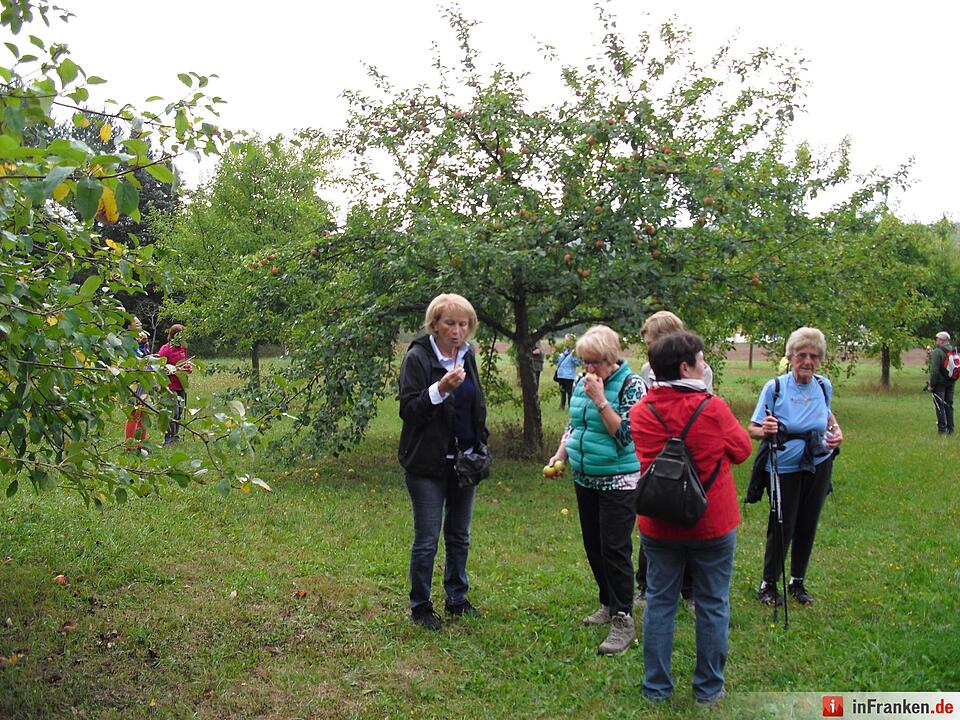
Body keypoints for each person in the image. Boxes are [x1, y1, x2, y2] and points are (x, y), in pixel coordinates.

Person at [629, 331, 752, 704]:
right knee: (713, 602)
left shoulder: (641, 410)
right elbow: (743, 450)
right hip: (711, 522)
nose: (705, 366)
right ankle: (708, 690)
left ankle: (656, 689)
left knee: (660, 604)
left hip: (658, 523)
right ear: (686, 367)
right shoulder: (712, 408)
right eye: (701, 360)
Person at [546, 325, 645, 655]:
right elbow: (574, 424)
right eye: (584, 362)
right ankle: (607, 601)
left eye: (595, 362)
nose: (589, 369)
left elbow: (626, 435)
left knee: (615, 548)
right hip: (585, 475)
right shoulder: (580, 381)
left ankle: (623, 619)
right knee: (593, 545)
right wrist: (560, 456)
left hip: (618, 479)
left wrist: (601, 400)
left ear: (612, 358)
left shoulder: (633, 386)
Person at [398, 293, 489, 630]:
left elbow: (475, 405)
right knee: (427, 538)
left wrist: (481, 441)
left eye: (463, 324)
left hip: (464, 462)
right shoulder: (419, 358)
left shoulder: (468, 355)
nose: (457, 331)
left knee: (459, 535)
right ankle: (421, 606)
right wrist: (439, 389)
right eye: (450, 323)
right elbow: (408, 410)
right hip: (426, 464)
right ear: (434, 324)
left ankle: (457, 597)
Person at [749, 326, 843, 607]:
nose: (808, 361)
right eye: (802, 354)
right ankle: (768, 583)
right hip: (783, 467)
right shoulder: (775, 387)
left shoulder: (824, 386)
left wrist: (837, 431)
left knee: (807, 523)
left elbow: (827, 416)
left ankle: (797, 582)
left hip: (818, 463)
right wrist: (765, 429)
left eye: (814, 356)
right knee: (782, 525)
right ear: (790, 356)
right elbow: (752, 429)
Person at [635, 311, 711, 606]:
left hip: (687, 453)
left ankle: (689, 588)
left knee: (688, 514)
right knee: (652, 513)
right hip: (658, 452)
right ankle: (645, 584)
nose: (649, 350)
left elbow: (704, 408)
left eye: (652, 342)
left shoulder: (701, 369)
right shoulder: (646, 369)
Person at [157, 324, 192, 446]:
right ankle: (168, 438)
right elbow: (159, 368)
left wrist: (188, 368)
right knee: (173, 411)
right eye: (183, 335)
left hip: (181, 385)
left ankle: (175, 437)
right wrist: (171, 370)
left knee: (180, 411)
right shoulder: (165, 349)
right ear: (175, 336)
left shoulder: (183, 349)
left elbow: (185, 362)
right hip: (169, 386)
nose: (185, 337)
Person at [123, 317, 151, 449]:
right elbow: (133, 359)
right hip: (133, 379)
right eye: (136, 322)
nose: (140, 323)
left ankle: (141, 444)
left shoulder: (137, 340)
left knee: (143, 411)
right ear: (128, 326)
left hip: (143, 379)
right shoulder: (126, 341)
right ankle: (129, 444)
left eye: (140, 321)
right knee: (133, 413)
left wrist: (144, 344)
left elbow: (144, 355)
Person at [927, 331, 956, 435]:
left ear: (942, 340)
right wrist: (932, 355)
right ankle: (951, 429)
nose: (936, 341)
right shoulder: (953, 349)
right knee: (949, 405)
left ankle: (942, 430)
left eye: (937, 339)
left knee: (940, 406)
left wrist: (931, 385)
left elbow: (934, 371)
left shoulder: (937, 352)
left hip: (940, 383)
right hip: (951, 381)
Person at [554, 334, 579, 410]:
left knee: (569, 392)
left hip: (569, 375)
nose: (567, 342)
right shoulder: (563, 351)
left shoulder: (574, 352)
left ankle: (570, 406)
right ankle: (562, 406)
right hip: (561, 374)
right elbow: (557, 362)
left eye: (569, 340)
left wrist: (574, 357)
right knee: (562, 392)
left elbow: (577, 363)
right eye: (566, 340)